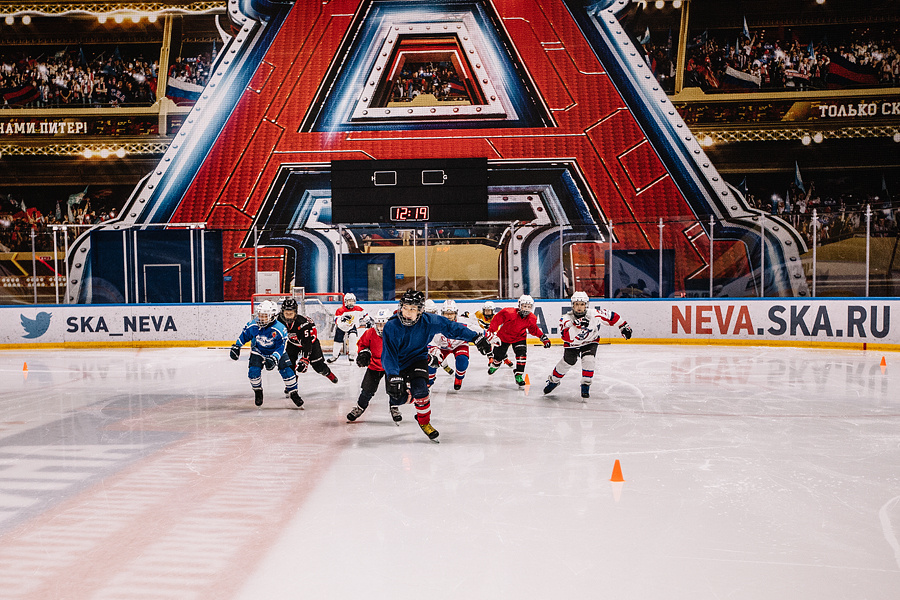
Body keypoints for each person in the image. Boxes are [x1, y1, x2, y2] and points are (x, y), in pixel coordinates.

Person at [382, 289, 492, 441]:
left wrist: (475, 337)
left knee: (421, 392)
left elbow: (453, 328)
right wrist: (393, 375)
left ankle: (424, 422)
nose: (408, 312)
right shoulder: (391, 326)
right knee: (397, 398)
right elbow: (389, 355)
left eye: (413, 309)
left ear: (420, 310)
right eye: (405, 307)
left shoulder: (430, 321)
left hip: (417, 359)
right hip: (397, 363)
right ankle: (400, 399)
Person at [543, 291, 632, 399]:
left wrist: (623, 325)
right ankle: (553, 381)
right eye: (576, 304)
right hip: (572, 344)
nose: (579, 307)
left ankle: (586, 384)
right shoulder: (566, 319)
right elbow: (566, 337)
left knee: (589, 360)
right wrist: (576, 326)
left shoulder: (593, 314)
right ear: (572, 305)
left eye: (582, 304)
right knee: (567, 362)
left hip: (590, 341)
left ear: (586, 305)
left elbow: (611, 316)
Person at [230, 300, 301, 407]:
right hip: (258, 350)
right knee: (253, 372)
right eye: (260, 315)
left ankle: (294, 393)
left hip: (275, 351)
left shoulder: (280, 329)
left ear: (272, 316)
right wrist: (237, 346)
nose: (261, 318)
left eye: (264, 316)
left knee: (287, 371)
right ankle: (258, 391)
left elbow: (281, 347)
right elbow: (245, 335)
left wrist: (274, 358)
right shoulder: (253, 324)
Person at [346, 309, 401, 423]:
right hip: (374, 366)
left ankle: (394, 407)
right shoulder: (369, 333)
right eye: (378, 324)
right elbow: (362, 345)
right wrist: (364, 354)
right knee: (367, 390)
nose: (381, 328)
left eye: (384, 325)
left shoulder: (397, 333)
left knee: (395, 388)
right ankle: (360, 407)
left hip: (391, 366)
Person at [486, 294, 550, 387]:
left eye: (529, 307)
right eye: (524, 306)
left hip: (519, 338)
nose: (526, 309)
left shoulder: (531, 318)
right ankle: (496, 364)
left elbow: (533, 329)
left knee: (522, 355)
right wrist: (491, 332)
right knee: (498, 357)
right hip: (503, 337)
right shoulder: (508, 313)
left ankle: (519, 374)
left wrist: (542, 337)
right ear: (519, 305)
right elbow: (496, 320)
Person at [277, 298, 338, 386]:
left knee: (318, 367)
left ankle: (329, 374)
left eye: (291, 314)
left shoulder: (302, 323)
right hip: (293, 343)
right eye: (286, 313)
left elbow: (307, 343)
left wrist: (305, 359)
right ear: (282, 312)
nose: (288, 316)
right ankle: (292, 382)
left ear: (295, 313)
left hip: (311, 343)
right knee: (288, 365)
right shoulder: (279, 320)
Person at [427, 299, 479, 390]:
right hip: (442, 347)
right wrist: (433, 348)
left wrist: (489, 335)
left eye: (451, 313)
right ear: (442, 313)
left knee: (462, 362)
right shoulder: (437, 322)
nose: (449, 316)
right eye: (446, 313)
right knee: (431, 362)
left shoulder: (463, 322)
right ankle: (428, 382)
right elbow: (429, 338)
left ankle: (458, 378)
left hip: (459, 344)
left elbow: (476, 329)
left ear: (456, 313)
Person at [328, 293, 369, 363]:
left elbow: (365, 315)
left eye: (352, 301)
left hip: (351, 326)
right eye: (349, 301)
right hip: (341, 327)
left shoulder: (358, 309)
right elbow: (336, 320)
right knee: (337, 342)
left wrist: (368, 320)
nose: (351, 302)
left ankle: (351, 354)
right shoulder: (340, 310)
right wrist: (341, 319)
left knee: (353, 336)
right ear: (345, 301)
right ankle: (335, 355)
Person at [474, 299, 513, 368]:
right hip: (483, 333)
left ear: (493, 311)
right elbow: (472, 316)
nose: (487, 312)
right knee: (485, 345)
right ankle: (490, 358)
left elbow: (497, 329)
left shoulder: (496, 317)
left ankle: (505, 358)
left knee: (498, 346)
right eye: (486, 310)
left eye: (489, 311)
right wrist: (466, 315)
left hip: (492, 333)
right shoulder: (479, 314)